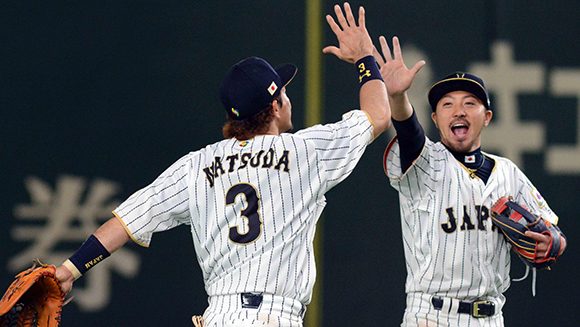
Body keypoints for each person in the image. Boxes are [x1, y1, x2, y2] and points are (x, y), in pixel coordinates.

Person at [54, 3, 390, 326]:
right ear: (275, 107)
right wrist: (364, 57)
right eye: (283, 93)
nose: (288, 99)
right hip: (273, 316)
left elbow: (128, 220)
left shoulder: (195, 166)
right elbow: (376, 115)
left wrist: (70, 270)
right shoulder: (304, 151)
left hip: (220, 315)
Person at [374, 36, 567, 326]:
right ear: (436, 119)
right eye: (447, 105)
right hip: (431, 315)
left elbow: (552, 232)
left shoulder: (508, 173)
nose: (459, 111)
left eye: (470, 103)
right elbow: (410, 132)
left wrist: (555, 241)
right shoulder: (425, 162)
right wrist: (398, 98)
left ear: (487, 116)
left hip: (490, 318)